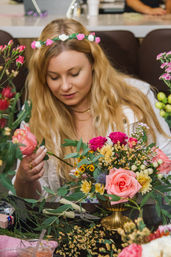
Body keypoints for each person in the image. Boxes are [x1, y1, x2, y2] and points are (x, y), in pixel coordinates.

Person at [13, 18, 171, 201]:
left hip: (133, 221)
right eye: (54, 77)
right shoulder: (36, 111)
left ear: (94, 64)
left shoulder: (136, 98)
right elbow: (28, 202)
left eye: (74, 74)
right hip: (60, 224)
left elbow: (167, 163)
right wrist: (24, 179)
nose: (65, 86)